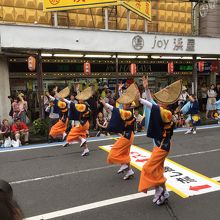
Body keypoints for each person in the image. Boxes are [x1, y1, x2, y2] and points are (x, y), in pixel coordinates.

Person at [138, 76, 178, 206]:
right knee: (157, 170)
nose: (159, 101)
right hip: (159, 144)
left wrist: (138, 99)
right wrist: (146, 88)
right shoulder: (160, 110)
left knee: (148, 168)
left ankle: (160, 190)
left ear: (167, 103)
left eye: (162, 100)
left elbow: (150, 104)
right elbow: (151, 102)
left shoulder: (167, 113)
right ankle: (162, 192)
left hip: (162, 146)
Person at [100, 83, 139, 180]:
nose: (123, 104)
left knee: (113, 154)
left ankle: (125, 165)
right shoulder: (128, 111)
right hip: (128, 135)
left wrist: (105, 104)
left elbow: (115, 110)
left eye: (125, 103)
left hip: (127, 136)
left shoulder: (128, 112)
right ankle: (129, 171)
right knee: (124, 153)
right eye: (123, 103)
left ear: (129, 104)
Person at [63, 87, 92, 157]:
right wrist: (77, 90)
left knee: (71, 135)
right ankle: (86, 150)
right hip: (86, 124)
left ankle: (82, 140)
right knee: (81, 136)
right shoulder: (86, 105)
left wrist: (64, 99)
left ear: (83, 100)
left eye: (79, 99)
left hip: (82, 124)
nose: (78, 100)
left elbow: (73, 104)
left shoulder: (82, 106)